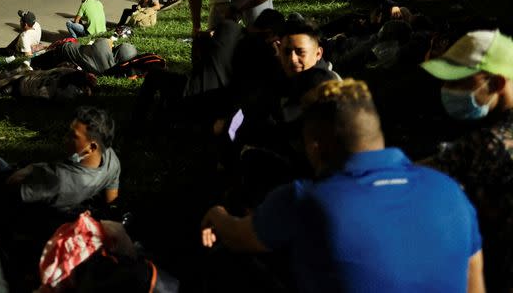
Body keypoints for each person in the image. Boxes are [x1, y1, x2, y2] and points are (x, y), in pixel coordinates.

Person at [201, 79, 484, 293]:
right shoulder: (450, 191)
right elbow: (475, 284)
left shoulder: (305, 200)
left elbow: (238, 237)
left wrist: (216, 214)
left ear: (314, 146)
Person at [0, 107, 120, 227]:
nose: (65, 139)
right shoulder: (110, 159)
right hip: (30, 187)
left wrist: (28, 171)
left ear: (92, 146)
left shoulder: (59, 178)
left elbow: (9, 188)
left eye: (73, 137)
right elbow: (111, 199)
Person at [422, 29, 513, 291]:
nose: (446, 90)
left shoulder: (488, 144)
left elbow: (413, 176)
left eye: (458, 82)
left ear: (496, 84)